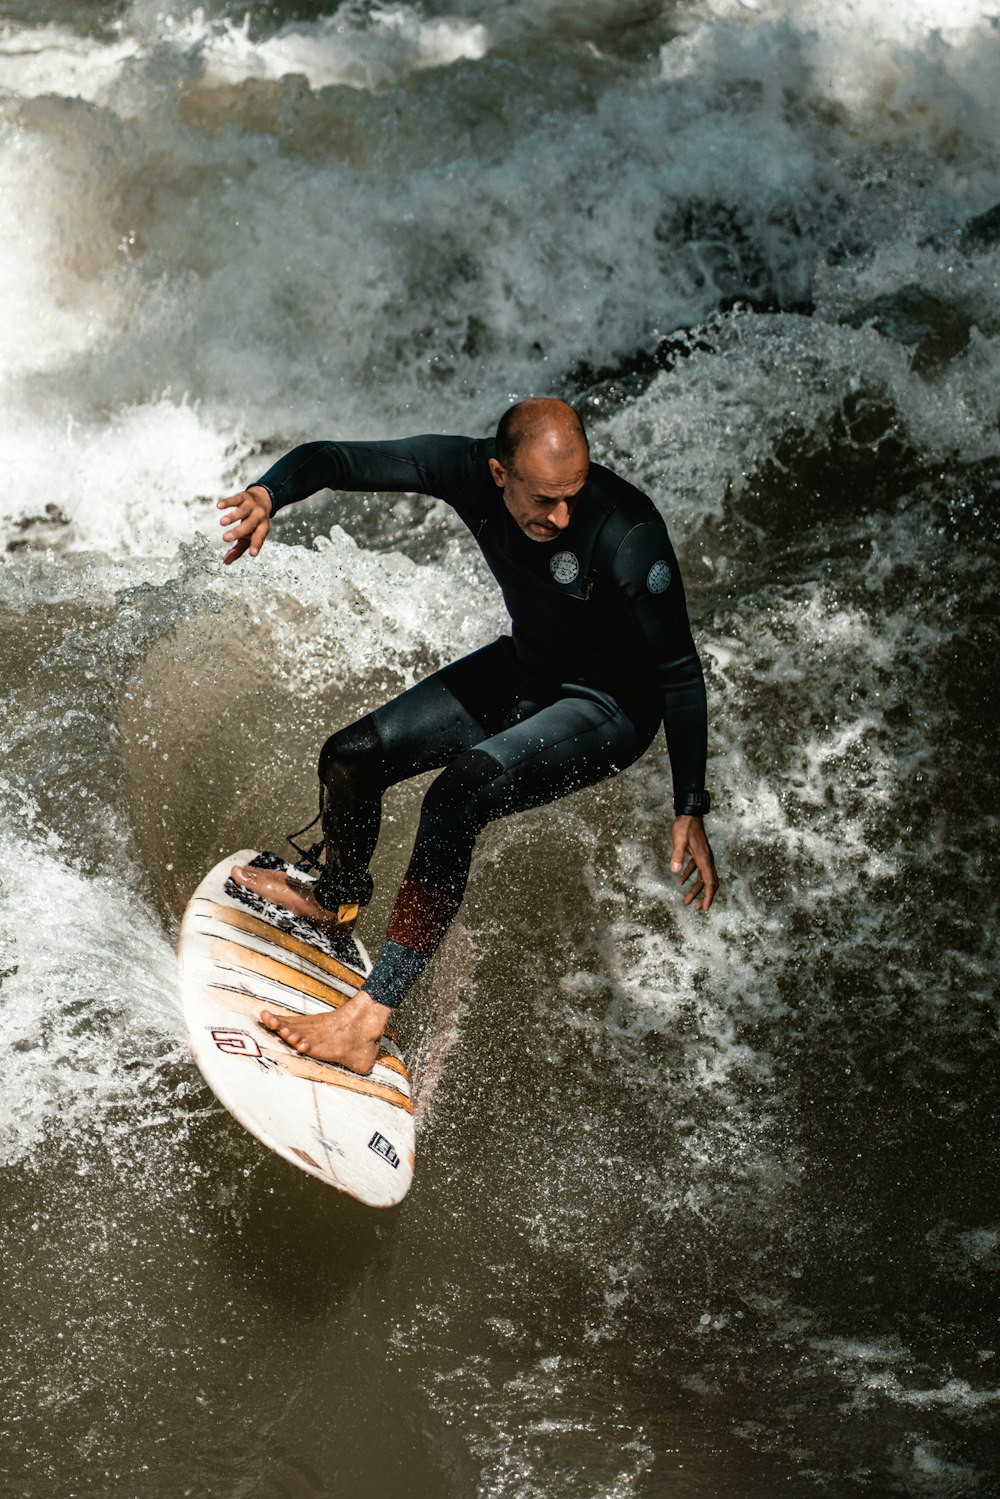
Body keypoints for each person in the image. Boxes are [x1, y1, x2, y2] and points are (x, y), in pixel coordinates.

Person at [218, 397, 718, 1075]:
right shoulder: (462, 468)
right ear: (497, 472)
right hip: (528, 667)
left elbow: (681, 675)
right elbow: (337, 459)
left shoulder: (629, 535)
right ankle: (334, 902)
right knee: (351, 757)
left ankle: (367, 1022)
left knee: (458, 795)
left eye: (573, 496)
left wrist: (690, 804)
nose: (561, 517)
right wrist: (267, 491)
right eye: (545, 499)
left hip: (608, 708)